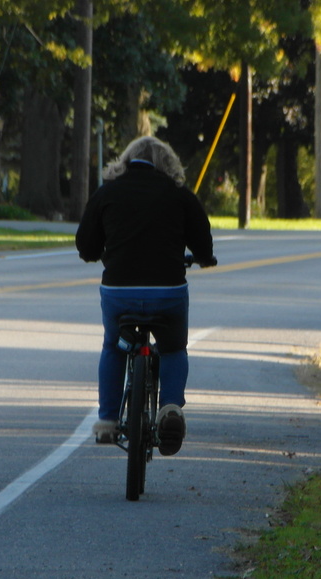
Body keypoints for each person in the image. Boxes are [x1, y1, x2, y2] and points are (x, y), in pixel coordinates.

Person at [76, 135, 216, 456]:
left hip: (119, 292)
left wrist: (97, 252)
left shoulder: (107, 192)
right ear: (168, 165)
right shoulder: (179, 194)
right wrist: (204, 257)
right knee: (173, 348)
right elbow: (203, 240)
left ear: (124, 161)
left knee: (113, 346)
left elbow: (86, 244)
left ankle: (108, 422)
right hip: (167, 292)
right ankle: (169, 407)